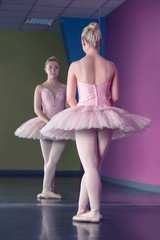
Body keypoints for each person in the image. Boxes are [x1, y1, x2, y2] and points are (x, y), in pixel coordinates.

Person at [41, 23, 151, 222]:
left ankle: (95, 212)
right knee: (92, 167)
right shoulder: (111, 66)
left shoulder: (76, 65)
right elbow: (115, 96)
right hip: (106, 117)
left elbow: (70, 99)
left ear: (84, 42)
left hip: (83, 116)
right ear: (99, 42)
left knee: (90, 167)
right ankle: (82, 209)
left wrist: (80, 111)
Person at [15, 56, 66, 199]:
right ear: (45, 69)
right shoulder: (40, 87)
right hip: (44, 125)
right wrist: (49, 122)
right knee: (48, 160)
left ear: (59, 69)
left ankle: (48, 189)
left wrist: (64, 122)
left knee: (53, 159)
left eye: (56, 67)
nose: (53, 70)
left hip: (60, 127)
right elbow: (37, 109)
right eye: (50, 67)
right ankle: (47, 189)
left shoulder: (64, 87)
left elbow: (67, 108)